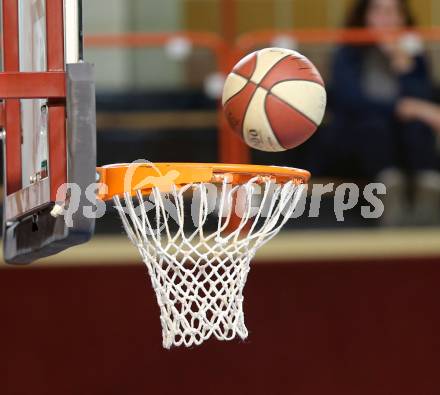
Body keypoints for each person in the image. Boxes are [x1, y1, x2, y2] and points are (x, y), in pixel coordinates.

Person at [313, 0, 440, 226]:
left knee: (417, 128)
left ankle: (427, 199)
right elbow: (348, 101)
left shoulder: (413, 56)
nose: (386, 18)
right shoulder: (348, 53)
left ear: (403, 18)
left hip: (404, 142)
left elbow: (422, 100)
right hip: (360, 139)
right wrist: (401, 108)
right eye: (379, 11)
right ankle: (389, 201)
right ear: (366, 16)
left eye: (393, 12)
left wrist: (405, 68)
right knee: (375, 126)